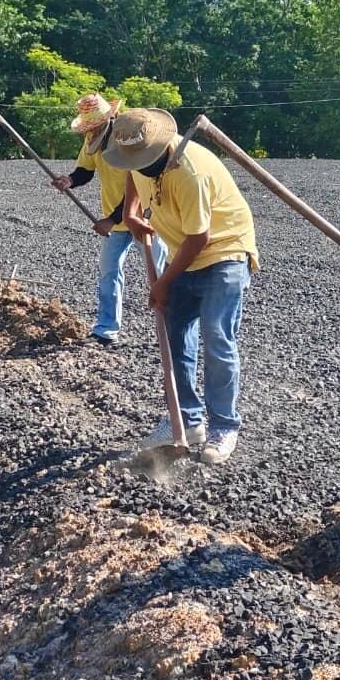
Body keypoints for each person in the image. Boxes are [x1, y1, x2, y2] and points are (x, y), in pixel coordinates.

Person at [102, 108, 258, 464]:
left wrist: (163, 283)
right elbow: (132, 175)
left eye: (143, 159)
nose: (137, 165)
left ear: (160, 148)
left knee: (217, 337)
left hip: (224, 249)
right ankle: (187, 420)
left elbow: (199, 238)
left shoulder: (190, 171)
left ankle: (224, 426)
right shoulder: (138, 163)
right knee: (174, 335)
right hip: (183, 251)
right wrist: (130, 213)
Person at [51, 94, 167, 346]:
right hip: (116, 224)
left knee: (158, 274)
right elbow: (85, 171)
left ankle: (170, 329)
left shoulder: (127, 138)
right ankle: (106, 329)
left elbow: (136, 186)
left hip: (145, 218)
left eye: (94, 125)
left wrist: (112, 220)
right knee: (109, 271)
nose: (90, 131)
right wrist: (68, 181)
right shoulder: (93, 141)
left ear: (109, 119)